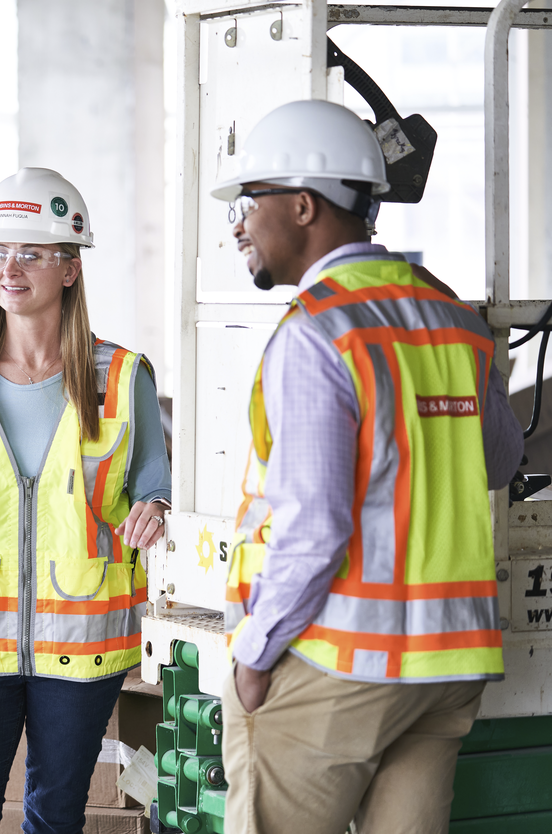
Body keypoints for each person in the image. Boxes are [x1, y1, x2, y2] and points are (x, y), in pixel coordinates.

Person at [213, 99, 524, 834]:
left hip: (337, 662)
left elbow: (315, 527)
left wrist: (255, 657)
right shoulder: (452, 318)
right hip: (448, 663)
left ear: (301, 205)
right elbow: (500, 460)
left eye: (249, 201)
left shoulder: (320, 330)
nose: (238, 224)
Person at [0, 167, 172, 834]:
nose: (9, 268)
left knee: (54, 819)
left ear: (70, 269)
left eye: (32, 253)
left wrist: (156, 511)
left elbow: (155, 490)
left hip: (79, 652)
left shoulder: (121, 378)